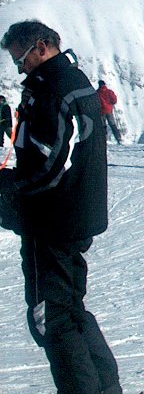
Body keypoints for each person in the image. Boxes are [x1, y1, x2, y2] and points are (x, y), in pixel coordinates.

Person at [0, 20, 121, 394]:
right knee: (69, 310)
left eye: (20, 59)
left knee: (52, 319)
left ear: (40, 47)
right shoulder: (73, 79)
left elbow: (52, 160)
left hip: (51, 218)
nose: (19, 67)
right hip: (73, 214)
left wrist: (9, 189)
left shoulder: (53, 87)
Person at [97, 80, 123, 144]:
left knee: (103, 126)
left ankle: (104, 140)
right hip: (109, 110)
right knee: (113, 125)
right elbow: (114, 100)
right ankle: (118, 138)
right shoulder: (109, 92)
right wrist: (111, 103)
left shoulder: (97, 92)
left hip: (101, 111)